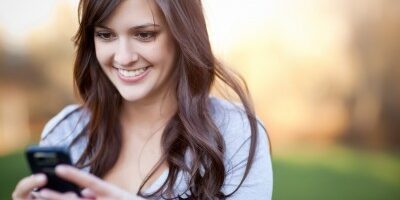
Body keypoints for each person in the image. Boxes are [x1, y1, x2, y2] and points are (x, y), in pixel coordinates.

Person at [12, 0, 273, 199]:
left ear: (183, 36)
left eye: (144, 35)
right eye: (106, 35)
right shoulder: (67, 133)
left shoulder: (236, 133)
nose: (123, 57)